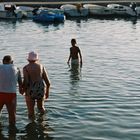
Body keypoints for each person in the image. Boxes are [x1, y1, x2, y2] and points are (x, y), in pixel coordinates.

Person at [22, 51, 50, 121]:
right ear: (37, 59)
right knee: (41, 108)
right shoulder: (41, 66)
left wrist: (23, 90)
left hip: (30, 90)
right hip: (41, 89)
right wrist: (47, 92)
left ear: (28, 59)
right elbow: (48, 82)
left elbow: (26, 82)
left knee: (31, 112)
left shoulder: (26, 68)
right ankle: (42, 123)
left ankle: (32, 126)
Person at [0, 55, 22, 126]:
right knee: (12, 116)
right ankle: (12, 134)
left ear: (3, 61)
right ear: (12, 62)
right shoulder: (17, 69)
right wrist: (21, 90)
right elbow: (20, 84)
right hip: (11, 94)